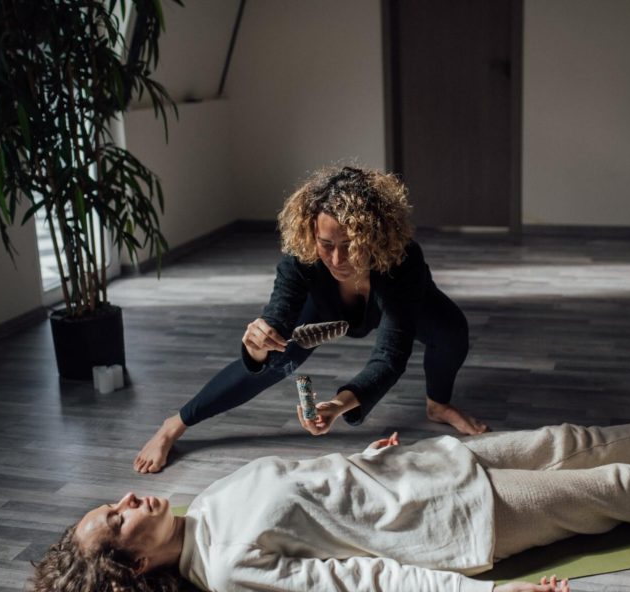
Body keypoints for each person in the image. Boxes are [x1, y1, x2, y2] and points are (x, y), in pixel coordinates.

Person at [15, 378, 630, 592]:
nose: (128, 498)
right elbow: (366, 580)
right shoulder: (234, 570)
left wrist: (362, 455)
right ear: (130, 561)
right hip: (467, 521)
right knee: (622, 494)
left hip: (432, 464)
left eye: (114, 501)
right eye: (116, 518)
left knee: (577, 438)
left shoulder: (200, 508)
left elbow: (313, 492)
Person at [134, 165, 487, 474]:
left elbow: (391, 356)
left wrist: (338, 404)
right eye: (326, 244)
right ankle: (174, 424)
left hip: (399, 300)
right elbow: (277, 316)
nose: (337, 258)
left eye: (351, 243)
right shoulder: (301, 256)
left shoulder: (402, 259)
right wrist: (258, 347)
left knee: (454, 333)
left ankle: (438, 404)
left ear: (374, 235)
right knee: (274, 358)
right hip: (326, 309)